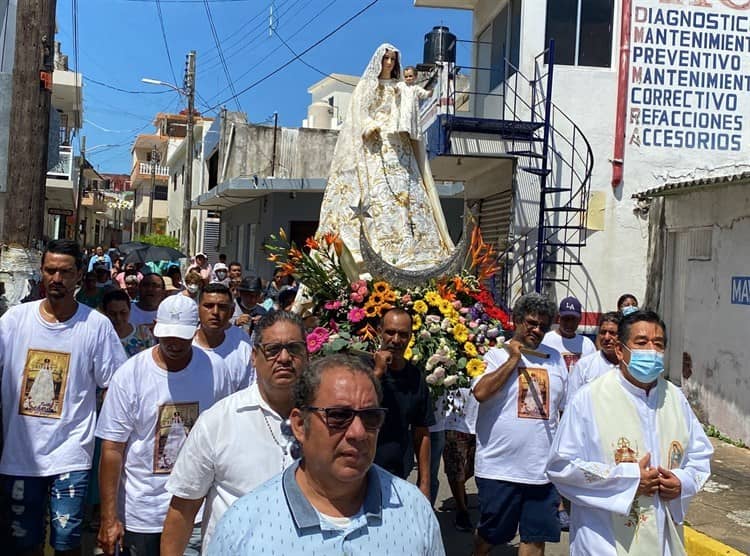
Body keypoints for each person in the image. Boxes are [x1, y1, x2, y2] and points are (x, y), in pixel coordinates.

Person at [207, 354, 445, 555]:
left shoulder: (413, 510)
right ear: (300, 425)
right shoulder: (244, 526)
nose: (358, 433)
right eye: (339, 416)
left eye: (371, 417)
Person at [547, 310, 713, 556]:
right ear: (620, 350)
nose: (650, 351)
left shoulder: (674, 398)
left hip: (662, 539)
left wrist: (682, 482)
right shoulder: (589, 399)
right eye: (641, 342)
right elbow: (561, 466)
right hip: (604, 541)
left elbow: (700, 456)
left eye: (658, 344)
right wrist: (629, 479)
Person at [0, 239, 127, 556]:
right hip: (19, 458)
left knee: (66, 542)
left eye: (65, 272)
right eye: (50, 271)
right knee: (20, 543)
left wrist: (109, 439)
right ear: (41, 273)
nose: (56, 279)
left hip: (71, 456)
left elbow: (118, 385)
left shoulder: (96, 326)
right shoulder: (14, 322)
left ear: (79, 276)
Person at [95, 295, 233, 556]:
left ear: (196, 330)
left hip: (194, 510)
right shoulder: (129, 375)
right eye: (167, 335)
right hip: (142, 512)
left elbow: (224, 434)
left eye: (182, 336)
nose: (174, 343)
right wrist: (108, 519)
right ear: (155, 327)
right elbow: (112, 449)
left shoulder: (215, 370)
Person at [161, 311, 309, 554]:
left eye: (294, 348)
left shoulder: (328, 419)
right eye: (273, 349)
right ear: (254, 357)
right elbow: (182, 511)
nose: (284, 358)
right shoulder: (218, 421)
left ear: (307, 355)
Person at [316, 43, 454, 276]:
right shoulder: (367, 86)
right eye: (385, 59)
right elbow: (360, 113)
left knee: (407, 194)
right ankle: (381, 243)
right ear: (379, 61)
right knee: (378, 194)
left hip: (399, 145)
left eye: (392, 59)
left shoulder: (400, 87)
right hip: (375, 146)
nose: (389, 63)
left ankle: (414, 246)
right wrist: (371, 125)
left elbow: (410, 106)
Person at [471, 292, 568, 556]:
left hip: (541, 470)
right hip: (499, 469)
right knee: (491, 535)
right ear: (516, 320)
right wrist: (514, 360)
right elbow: (480, 393)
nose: (537, 330)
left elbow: (565, 409)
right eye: (531, 323)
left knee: (535, 538)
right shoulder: (494, 355)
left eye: (543, 326)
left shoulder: (556, 359)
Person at [372, 308, 433, 498]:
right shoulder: (362, 368)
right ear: (379, 331)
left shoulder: (415, 377)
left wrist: (424, 483)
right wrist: (379, 372)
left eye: (403, 335)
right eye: (390, 332)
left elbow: (421, 432)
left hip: (395, 474)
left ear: (410, 337)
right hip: (357, 471)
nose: (396, 340)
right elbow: (354, 406)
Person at [192, 283, 254, 391]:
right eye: (208, 306)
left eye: (222, 307)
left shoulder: (243, 349)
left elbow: (249, 391)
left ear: (232, 311)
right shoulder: (185, 346)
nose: (215, 312)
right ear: (198, 309)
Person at [567, 311, 621, 404]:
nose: (607, 337)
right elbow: (571, 403)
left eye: (612, 333)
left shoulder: (630, 365)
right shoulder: (584, 365)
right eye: (603, 332)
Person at [542, 296, 596, 374]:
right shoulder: (545, 340)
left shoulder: (587, 344)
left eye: (573, 319)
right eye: (566, 318)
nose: (569, 323)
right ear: (559, 318)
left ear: (580, 319)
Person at [102, 289, 156, 357]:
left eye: (123, 313)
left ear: (130, 310)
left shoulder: (143, 333)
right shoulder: (101, 338)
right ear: (105, 313)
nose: (118, 318)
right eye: (112, 314)